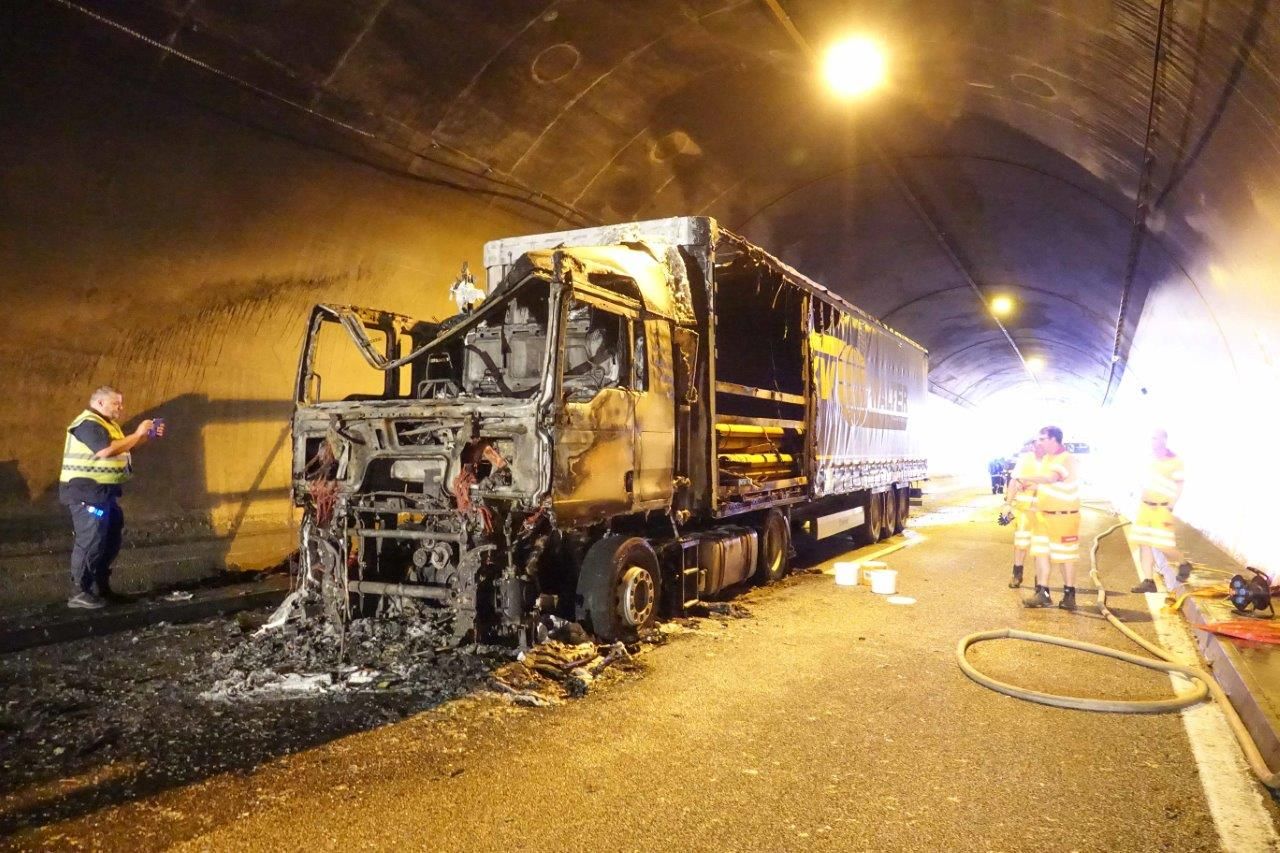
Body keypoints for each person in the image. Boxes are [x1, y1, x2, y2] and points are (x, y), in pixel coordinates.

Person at [58, 386, 165, 609]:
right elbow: (105, 450)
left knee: (110, 538)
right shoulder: (88, 424)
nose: (121, 408)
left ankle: (99, 588)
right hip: (85, 493)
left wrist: (145, 437)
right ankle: (79, 591)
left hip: (103, 494)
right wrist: (137, 433)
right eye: (116, 403)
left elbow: (120, 449)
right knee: (91, 539)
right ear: (100, 403)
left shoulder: (108, 425)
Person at [1019, 426, 1081, 610]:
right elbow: (1046, 483)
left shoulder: (1066, 458)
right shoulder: (1047, 458)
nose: (1039, 443)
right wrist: (1029, 485)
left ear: (1054, 439)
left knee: (1065, 557)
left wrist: (1024, 476)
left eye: (1042, 439)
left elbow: (1051, 478)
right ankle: (1042, 593)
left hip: (1064, 518)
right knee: (1041, 553)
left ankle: (1069, 595)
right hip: (1043, 516)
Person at [1129, 428, 1193, 593]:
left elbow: (1180, 484)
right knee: (1144, 543)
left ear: (1164, 439)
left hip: (1161, 508)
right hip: (1145, 507)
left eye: (1156, 438)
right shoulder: (1148, 458)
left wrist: (1172, 503)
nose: (1153, 441)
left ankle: (1184, 564)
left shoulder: (1174, 461)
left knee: (1163, 544)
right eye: (1151, 438)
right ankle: (1148, 581)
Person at [1003, 440, 1042, 588]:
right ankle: (1017, 575)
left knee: (1040, 547)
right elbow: (1014, 482)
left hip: (1043, 511)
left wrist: (1033, 485)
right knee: (1020, 544)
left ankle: (1040, 582)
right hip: (1024, 511)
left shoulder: (1052, 462)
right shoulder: (1025, 460)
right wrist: (1008, 504)